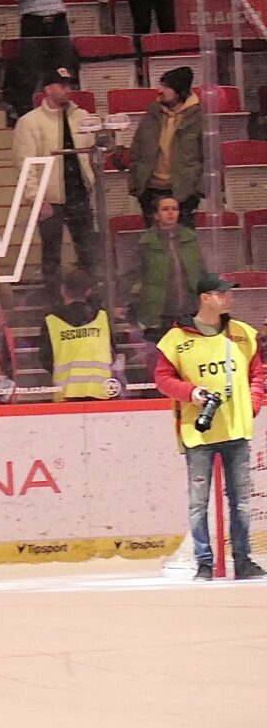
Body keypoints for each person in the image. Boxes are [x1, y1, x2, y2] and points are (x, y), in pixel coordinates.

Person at [155, 277, 264, 580]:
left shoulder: (243, 334)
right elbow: (163, 379)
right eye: (223, 293)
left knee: (241, 502)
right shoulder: (176, 338)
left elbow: (256, 374)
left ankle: (243, 560)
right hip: (198, 431)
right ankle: (204, 562)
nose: (230, 298)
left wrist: (252, 405)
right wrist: (191, 393)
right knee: (198, 503)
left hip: (237, 430)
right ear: (205, 297)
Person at [14, 66, 97, 291]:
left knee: (88, 252)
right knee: (51, 254)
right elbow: (25, 165)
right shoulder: (30, 122)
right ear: (49, 89)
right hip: (50, 198)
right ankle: (54, 301)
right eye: (62, 85)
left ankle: (89, 297)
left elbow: (93, 152)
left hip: (79, 194)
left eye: (69, 85)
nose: (68, 90)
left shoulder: (82, 117)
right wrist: (35, 198)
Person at [129, 67, 204, 225]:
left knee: (184, 239)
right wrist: (138, 186)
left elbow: (210, 157)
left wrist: (197, 191)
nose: (160, 90)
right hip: (151, 191)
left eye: (166, 86)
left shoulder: (199, 118)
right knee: (153, 240)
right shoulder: (151, 114)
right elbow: (136, 149)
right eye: (161, 85)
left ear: (180, 91)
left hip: (184, 194)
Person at [130, 196, 203, 339]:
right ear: (156, 215)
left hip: (189, 309)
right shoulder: (146, 243)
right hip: (159, 311)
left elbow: (201, 271)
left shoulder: (190, 239)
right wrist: (120, 301)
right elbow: (132, 272)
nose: (170, 213)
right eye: (165, 209)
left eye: (174, 209)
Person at [41, 268, 115, 401]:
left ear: (62, 289)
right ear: (88, 291)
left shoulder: (51, 321)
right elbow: (113, 351)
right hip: (100, 391)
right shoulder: (102, 317)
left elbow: (45, 358)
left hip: (66, 393)